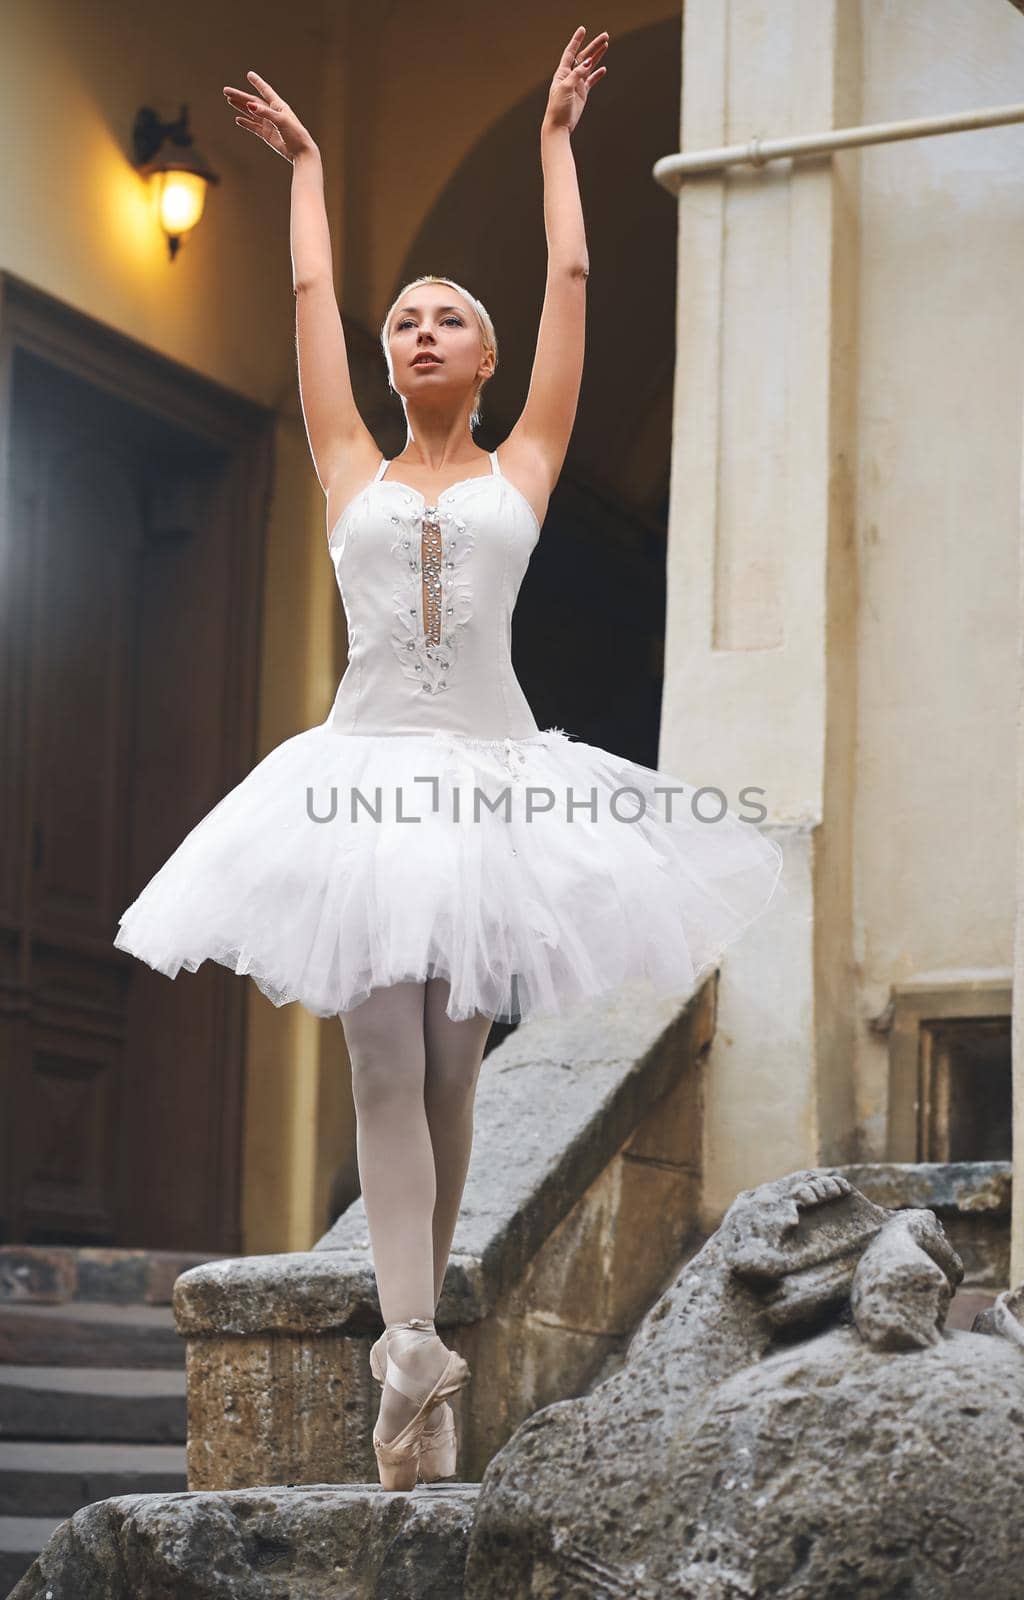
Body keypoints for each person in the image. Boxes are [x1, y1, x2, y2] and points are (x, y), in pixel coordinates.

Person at [115, 27, 784, 1491]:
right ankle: (408, 1345)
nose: (418, 331)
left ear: (484, 364)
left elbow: (577, 286)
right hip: (358, 780)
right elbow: (305, 290)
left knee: (453, 1073)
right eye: (403, 318)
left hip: (488, 780)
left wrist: (554, 143)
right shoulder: (347, 461)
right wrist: (303, 171)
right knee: (380, 1057)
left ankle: (423, 1362)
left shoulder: (526, 462)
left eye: (446, 321)